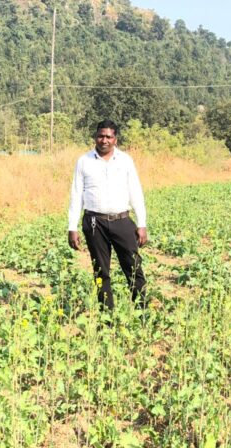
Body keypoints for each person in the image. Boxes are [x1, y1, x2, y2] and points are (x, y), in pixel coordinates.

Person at [67, 119, 148, 310]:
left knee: (133, 267)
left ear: (115, 139)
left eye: (109, 137)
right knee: (100, 271)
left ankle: (141, 311)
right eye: (101, 136)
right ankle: (106, 315)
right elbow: (76, 195)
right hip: (94, 222)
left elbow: (135, 192)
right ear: (95, 137)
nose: (104, 140)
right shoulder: (84, 161)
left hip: (122, 221)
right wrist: (72, 227)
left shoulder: (125, 160)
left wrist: (141, 223)